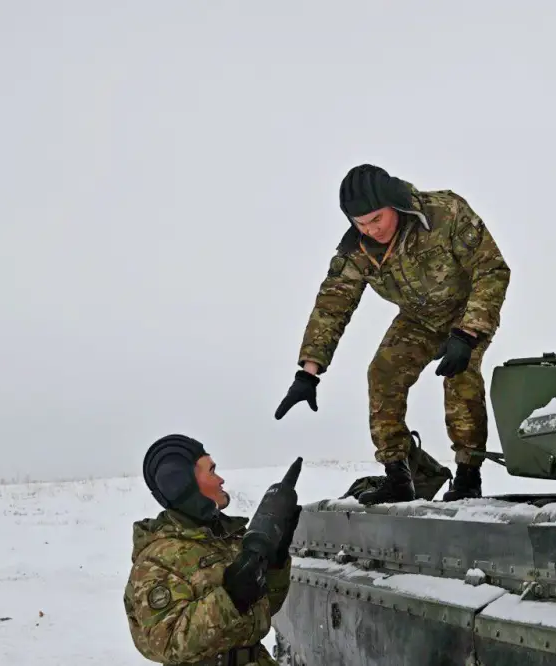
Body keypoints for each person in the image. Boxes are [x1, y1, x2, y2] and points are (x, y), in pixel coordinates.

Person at [274, 164, 511, 505]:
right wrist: (308, 373)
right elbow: (332, 307)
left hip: (467, 309)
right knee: (382, 373)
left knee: (461, 374)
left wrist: (468, 332)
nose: (371, 230)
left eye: (376, 219)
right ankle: (398, 475)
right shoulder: (356, 252)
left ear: (394, 204)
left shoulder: (444, 213)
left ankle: (468, 476)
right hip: (418, 319)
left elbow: (491, 270)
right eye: (361, 224)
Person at [124, 434, 299, 666]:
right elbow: (166, 643)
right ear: (183, 484)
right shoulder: (158, 559)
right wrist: (230, 598)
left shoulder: (227, 539)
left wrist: (276, 561)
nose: (220, 480)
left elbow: (265, 608)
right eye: (212, 471)